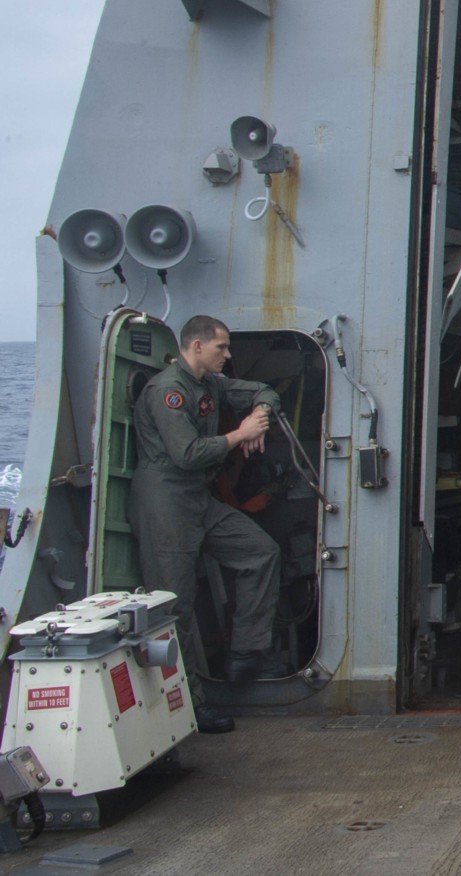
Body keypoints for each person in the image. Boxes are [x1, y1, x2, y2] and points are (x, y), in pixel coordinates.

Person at [132, 314, 291, 734]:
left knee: (261, 553)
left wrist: (259, 414)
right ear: (197, 346)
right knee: (174, 608)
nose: (228, 354)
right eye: (221, 347)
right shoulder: (168, 390)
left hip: (198, 500)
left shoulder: (210, 385)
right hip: (166, 504)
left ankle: (247, 652)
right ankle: (191, 707)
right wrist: (240, 435)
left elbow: (264, 390)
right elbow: (186, 454)